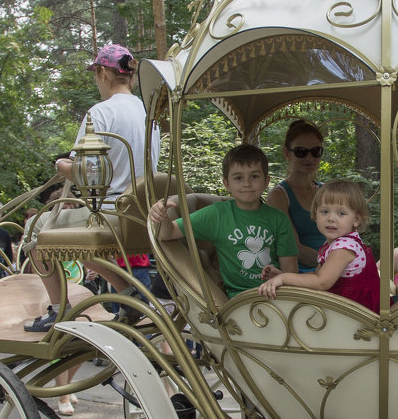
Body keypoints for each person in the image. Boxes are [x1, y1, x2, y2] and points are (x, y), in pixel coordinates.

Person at [24, 44, 147, 332]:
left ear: (103, 73)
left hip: (109, 214)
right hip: (142, 214)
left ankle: (58, 310)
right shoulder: (146, 111)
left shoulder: (100, 113)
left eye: (96, 74)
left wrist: (61, 166)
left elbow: (86, 174)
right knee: (66, 236)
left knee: (34, 227)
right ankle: (128, 293)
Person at [150, 144, 298, 295]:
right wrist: (160, 217)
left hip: (277, 294)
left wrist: (280, 276)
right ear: (227, 183)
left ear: (266, 181)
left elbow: (291, 271)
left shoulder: (279, 219)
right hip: (239, 300)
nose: (247, 183)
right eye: (238, 178)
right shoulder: (217, 215)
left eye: (254, 176)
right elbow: (167, 233)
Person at [258, 180, 380, 313]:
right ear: (315, 214)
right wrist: (284, 276)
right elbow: (317, 274)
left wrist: (284, 278)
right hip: (344, 311)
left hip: (359, 314)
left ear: (356, 220)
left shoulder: (344, 247)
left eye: (341, 213)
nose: (331, 218)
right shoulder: (332, 244)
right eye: (325, 211)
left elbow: (321, 282)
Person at [266, 119, 324, 272]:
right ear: (287, 153)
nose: (309, 157)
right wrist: (332, 265)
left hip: (336, 264)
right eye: (301, 152)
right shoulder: (278, 195)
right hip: (305, 272)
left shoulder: (325, 190)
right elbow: (294, 248)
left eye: (316, 151)